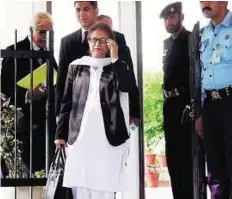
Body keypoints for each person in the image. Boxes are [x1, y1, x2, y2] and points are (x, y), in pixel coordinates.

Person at [55, 23, 139, 199]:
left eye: (103, 40)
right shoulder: (76, 66)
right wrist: (60, 134)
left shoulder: (117, 67)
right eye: (93, 40)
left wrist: (115, 59)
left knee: (105, 188)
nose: (97, 44)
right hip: (81, 139)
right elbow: (67, 102)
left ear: (110, 43)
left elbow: (128, 86)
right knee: (81, 188)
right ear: (88, 42)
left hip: (108, 139)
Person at [56, 1, 139, 125]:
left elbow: (129, 75)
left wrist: (134, 112)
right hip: (78, 115)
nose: (81, 14)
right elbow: (62, 83)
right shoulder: (67, 42)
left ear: (96, 11)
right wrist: (60, 115)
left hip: (112, 115)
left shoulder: (117, 38)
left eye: (86, 9)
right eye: (78, 10)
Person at [1, 12, 57, 174]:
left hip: (44, 125)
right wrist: (27, 95)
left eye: (49, 33)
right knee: (23, 174)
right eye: (41, 32)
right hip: (22, 125)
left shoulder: (49, 53)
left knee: (43, 172)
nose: (45, 36)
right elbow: (4, 87)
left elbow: (55, 80)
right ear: (31, 30)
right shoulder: (14, 51)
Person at [195, 1, 232, 198]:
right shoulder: (204, 34)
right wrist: (201, 111)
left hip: (230, 102)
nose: (204, 3)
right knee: (215, 169)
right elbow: (203, 74)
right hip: (210, 105)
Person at [160, 2, 193, 199]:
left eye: (172, 17)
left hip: (184, 104)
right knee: (172, 158)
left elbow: (194, 75)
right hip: (169, 105)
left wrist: (191, 104)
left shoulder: (190, 39)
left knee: (185, 158)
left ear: (181, 17)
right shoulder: (167, 42)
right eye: (166, 18)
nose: (168, 21)